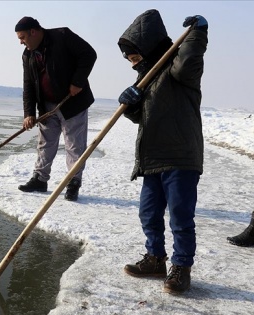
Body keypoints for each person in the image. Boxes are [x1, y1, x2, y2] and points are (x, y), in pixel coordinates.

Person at [116, 10, 208, 295]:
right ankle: (155, 259)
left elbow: (189, 59)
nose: (133, 65)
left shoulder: (178, 71)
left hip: (180, 157)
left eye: (134, 57)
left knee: (180, 217)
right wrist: (131, 104)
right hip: (152, 158)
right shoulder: (146, 80)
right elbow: (140, 117)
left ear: (148, 49)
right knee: (148, 213)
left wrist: (198, 34)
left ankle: (181, 267)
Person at [14, 16, 97, 201]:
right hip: (47, 106)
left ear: (33, 32)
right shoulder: (28, 54)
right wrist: (29, 113)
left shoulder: (62, 36)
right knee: (45, 144)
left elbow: (89, 54)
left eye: (22, 37)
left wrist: (78, 81)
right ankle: (40, 179)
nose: (21, 42)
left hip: (72, 103)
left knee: (74, 145)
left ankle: (73, 183)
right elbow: (28, 85)